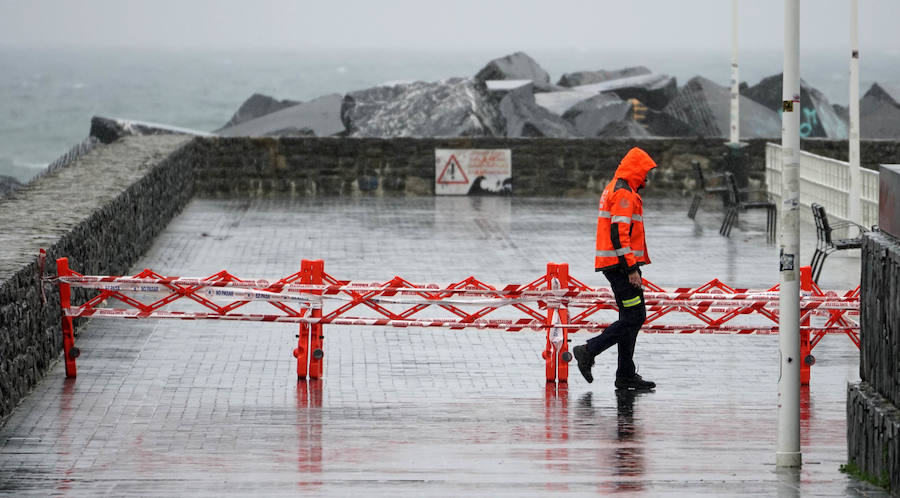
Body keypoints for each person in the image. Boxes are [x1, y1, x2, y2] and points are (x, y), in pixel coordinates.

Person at [573, 147, 658, 390]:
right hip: (621, 268)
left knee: (630, 318)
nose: (646, 179)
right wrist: (631, 268)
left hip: (618, 265)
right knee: (635, 316)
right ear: (635, 171)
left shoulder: (618, 188)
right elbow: (619, 234)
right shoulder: (624, 194)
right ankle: (588, 351)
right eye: (645, 173)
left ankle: (625, 375)